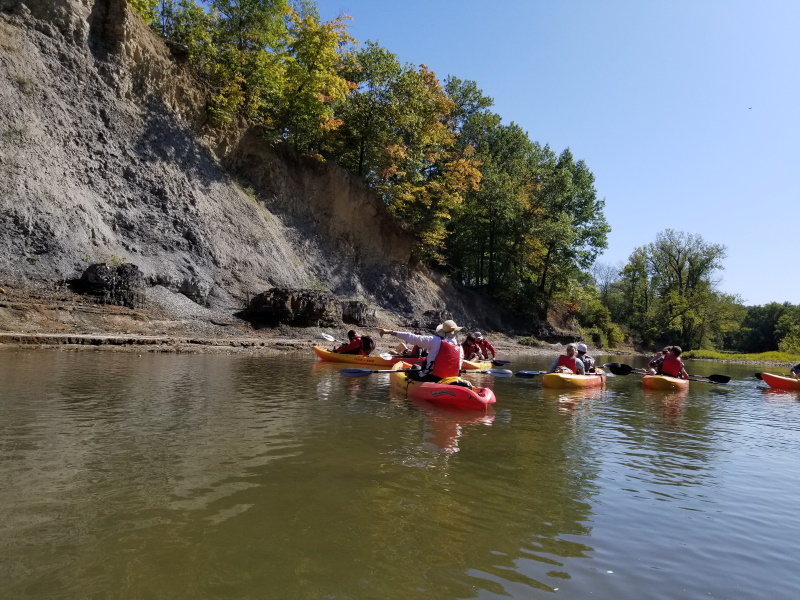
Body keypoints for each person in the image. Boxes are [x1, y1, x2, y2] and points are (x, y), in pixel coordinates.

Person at [379, 319, 465, 382]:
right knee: (418, 368)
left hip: (430, 377)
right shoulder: (460, 348)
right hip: (451, 379)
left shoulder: (435, 340)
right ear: (455, 332)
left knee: (415, 367)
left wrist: (390, 332)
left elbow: (412, 337)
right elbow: (458, 368)